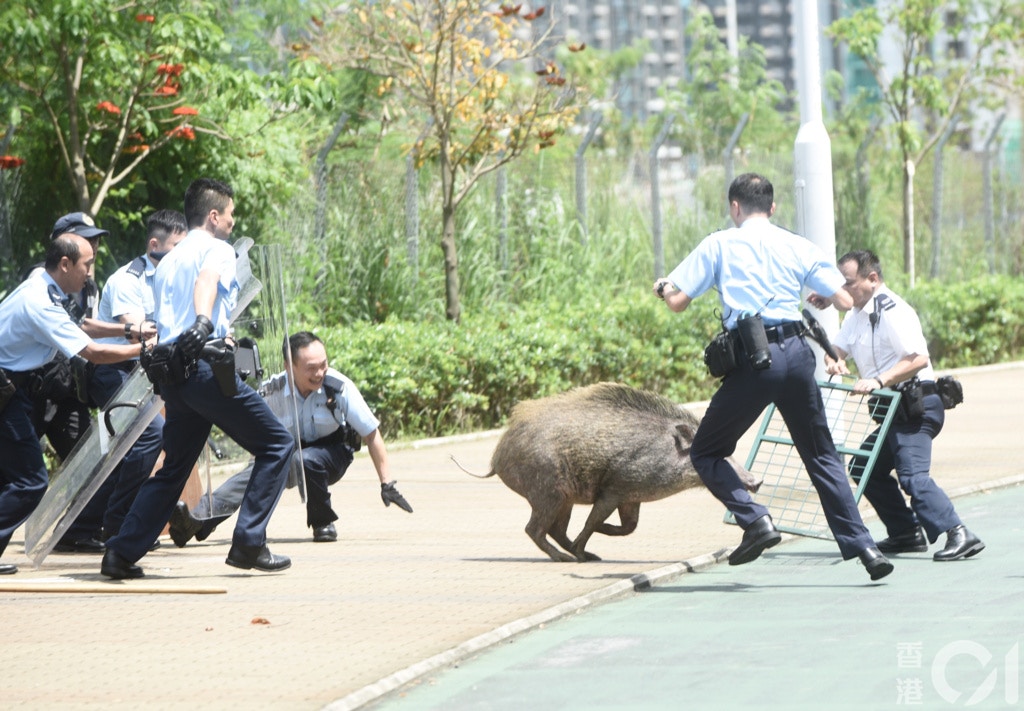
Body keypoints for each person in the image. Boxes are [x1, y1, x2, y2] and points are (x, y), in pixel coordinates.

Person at [652, 172, 893, 581]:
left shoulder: (719, 244)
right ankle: (866, 548)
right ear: (773, 207)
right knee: (821, 454)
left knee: (706, 452)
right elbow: (845, 298)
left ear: (734, 207)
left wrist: (661, 288)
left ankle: (756, 520)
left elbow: (677, 301)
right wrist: (815, 293)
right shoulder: (796, 244)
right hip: (798, 354)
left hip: (754, 360)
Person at [100, 178, 295, 580]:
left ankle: (119, 553)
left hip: (172, 375)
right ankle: (249, 543)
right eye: (230, 215)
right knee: (278, 444)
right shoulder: (218, 249)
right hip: (204, 368)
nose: (231, 222)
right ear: (213, 215)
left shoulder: (168, 259)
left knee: (174, 469)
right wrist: (205, 321)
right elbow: (207, 282)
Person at [167, 331, 412, 547]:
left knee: (305, 460)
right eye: (311, 368)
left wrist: (386, 483)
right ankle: (197, 520)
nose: (319, 373)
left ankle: (322, 522)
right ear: (289, 366)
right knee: (258, 472)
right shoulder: (271, 390)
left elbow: (371, 434)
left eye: (323, 365)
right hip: (288, 452)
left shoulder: (338, 387)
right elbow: (253, 429)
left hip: (332, 454)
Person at [816, 250, 984, 561]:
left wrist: (879, 381)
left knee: (913, 475)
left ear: (872, 279)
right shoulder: (856, 316)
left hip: (916, 404)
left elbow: (918, 358)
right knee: (865, 467)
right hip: (894, 411)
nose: (844, 291)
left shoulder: (894, 311)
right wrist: (834, 361)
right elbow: (837, 349)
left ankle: (959, 532)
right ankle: (906, 532)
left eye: (848, 284)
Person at [0, 235, 146, 575]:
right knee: (29, 481)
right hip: (7, 390)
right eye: (87, 263)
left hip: (16, 391)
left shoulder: (42, 285)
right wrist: (145, 350)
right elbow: (92, 352)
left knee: (15, 477)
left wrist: (131, 332)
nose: (90, 273)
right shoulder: (40, 302)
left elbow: (82, 327)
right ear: (64, 264)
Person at [55, 210, 188, 551]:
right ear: (154, 245)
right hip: (110, 371)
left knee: (121, 451)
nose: (183, 254)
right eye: (176, 246)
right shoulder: (128, 279)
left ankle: (86, 526)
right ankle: (119, 523)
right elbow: (138, 338)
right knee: (147, 437)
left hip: (142, 373)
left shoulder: (181, 278)